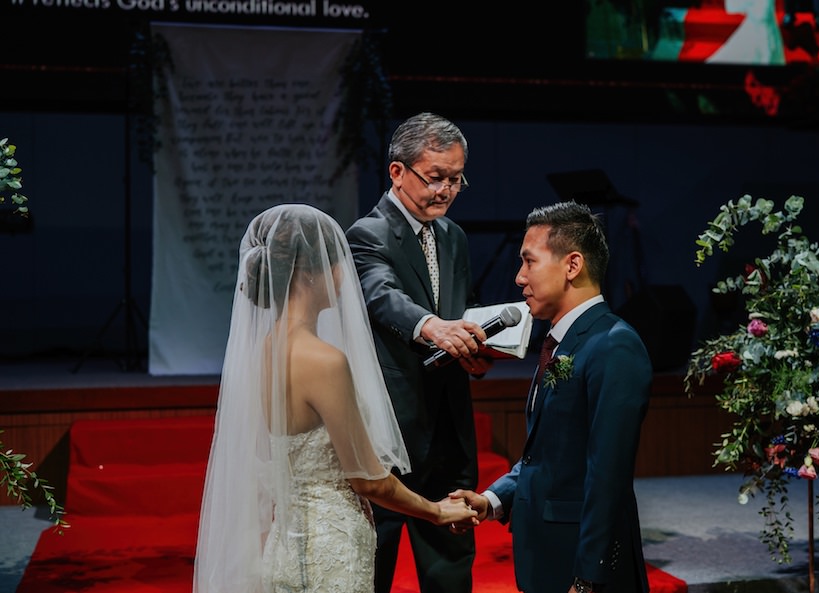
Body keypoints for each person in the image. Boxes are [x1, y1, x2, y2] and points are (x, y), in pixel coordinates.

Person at [192, 204, 478, 593]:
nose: (345, 276)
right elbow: (368, 480)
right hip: (331, 547)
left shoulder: (264, 350)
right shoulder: (323, 360)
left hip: (284, 544)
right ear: (309, 275)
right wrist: (436, 511)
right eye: (337, 262)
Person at [450, 201, 653, 593]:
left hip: (581, 568)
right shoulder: (560, 343)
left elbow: (607, 475)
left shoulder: (614, 345)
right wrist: (492, 500)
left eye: (529, 262)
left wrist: (589, 578)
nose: (518, 277)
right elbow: (544, 455)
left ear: (572, 266)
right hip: (544, 557)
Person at [345, 112, 493, 593]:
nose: (446, 190)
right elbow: (381, 296)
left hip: (448, 427)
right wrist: (433, 327)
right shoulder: (368, 234)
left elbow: (457, 311)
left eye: (456, 179)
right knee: (375, 566)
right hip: (390, 430)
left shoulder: (454, 237)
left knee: (451, 570)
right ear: (397, 172)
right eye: (435, 178)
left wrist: (474, 348)